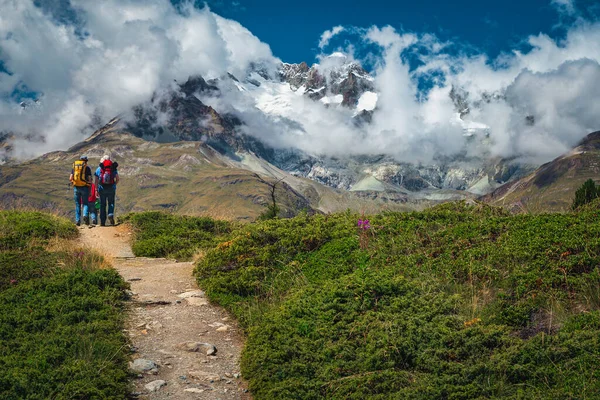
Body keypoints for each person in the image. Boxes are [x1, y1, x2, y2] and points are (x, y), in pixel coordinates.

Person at [94, 155, 119, 226]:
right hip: (111, 188)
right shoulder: (113, 168)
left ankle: (102, 222)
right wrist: (114, 185)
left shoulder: (99, 169)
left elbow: (96, 180)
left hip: (102, 188)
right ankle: (110, 214)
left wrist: (96, 189)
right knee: (111, 202)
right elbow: (117, 179)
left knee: (102, 204)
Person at [69, 155, 92, 226]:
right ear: (86, 161)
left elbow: (70, 178)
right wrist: (90, 189)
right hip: (85, 187)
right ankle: (85, 215)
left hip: (76, 187)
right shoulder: (87, 168)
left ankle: (77, 220)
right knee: (85, 203)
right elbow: (90, 180)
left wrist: (74, 182)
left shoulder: (75, 168)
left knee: (77, 204)